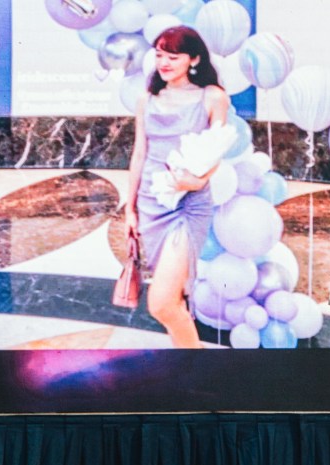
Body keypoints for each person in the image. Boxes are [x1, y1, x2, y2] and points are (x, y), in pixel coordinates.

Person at [125, 26, 229, 348]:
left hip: (188, 204)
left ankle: (196, 361)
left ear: (193, 59)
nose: (164, 63)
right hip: (151, 202)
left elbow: (217, 148)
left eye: (173, 56)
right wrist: (129, 209)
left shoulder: (212, 96)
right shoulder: (146, 99)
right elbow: (139, 153)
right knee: (173, 299)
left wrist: (198, 181)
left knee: (161, 303)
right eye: (159, 55)